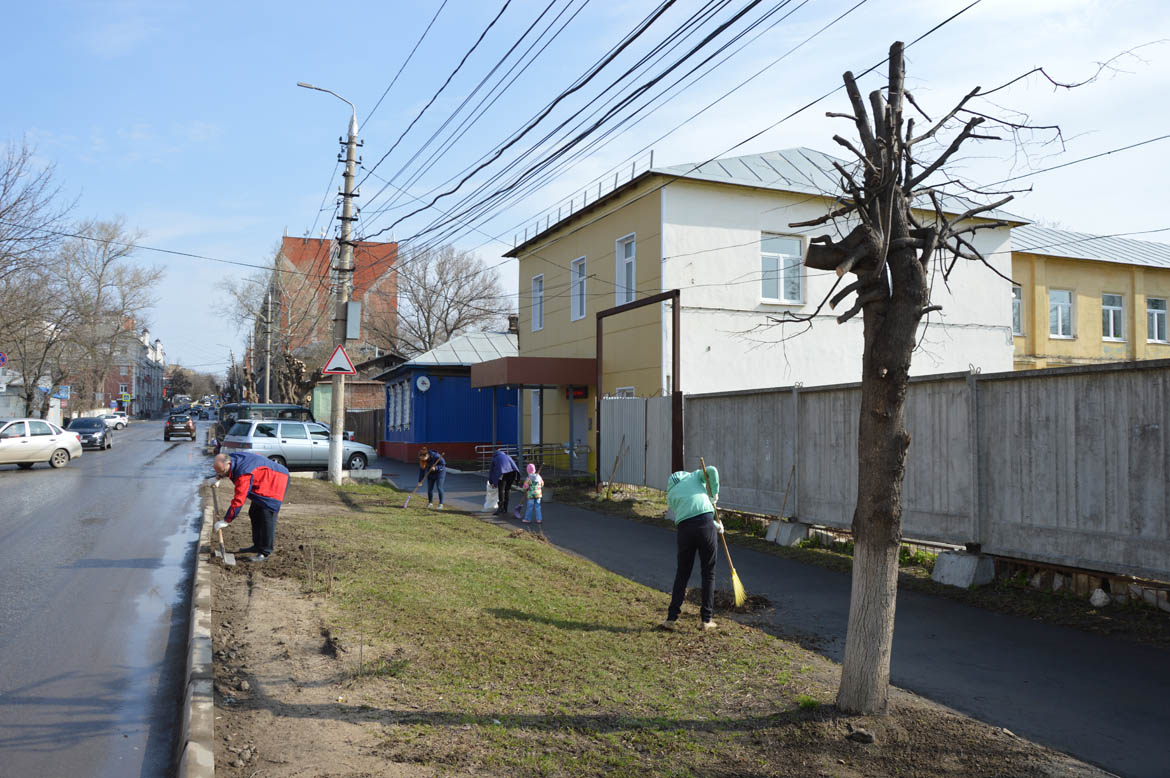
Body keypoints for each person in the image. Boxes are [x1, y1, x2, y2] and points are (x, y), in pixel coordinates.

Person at [660, 465, 723, 631]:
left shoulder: (670, 495)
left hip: (685, 530)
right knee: (708, 572)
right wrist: (714, 494)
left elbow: (689, 516)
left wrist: (715, 524)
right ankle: (706, 620)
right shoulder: (693, 477)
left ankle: (671, 618)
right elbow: (712, 470)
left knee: (682, 573)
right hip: (705, 526)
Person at [212, 451, 289, 562]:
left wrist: (226, 520)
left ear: (228, 463)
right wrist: (218, 477)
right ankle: (257, 545)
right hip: (263, 480)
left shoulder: (243, 473)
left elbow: (239, 500)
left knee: (266, 515)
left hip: (276, 480)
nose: (222, 474)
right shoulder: (230, 457)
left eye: (222, 472)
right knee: (254, 512)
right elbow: (223, 468)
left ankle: (265, 552)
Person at [488, 448, 520, 515]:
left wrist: (491, 482)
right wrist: (517, 478)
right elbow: (514, 466)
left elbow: (491, 471)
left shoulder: (495, 458)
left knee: (501, 490)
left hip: (502, 473)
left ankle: (500, 508)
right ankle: (505, 508)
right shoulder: (508, 456)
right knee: (507, 489)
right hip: (512, 473)